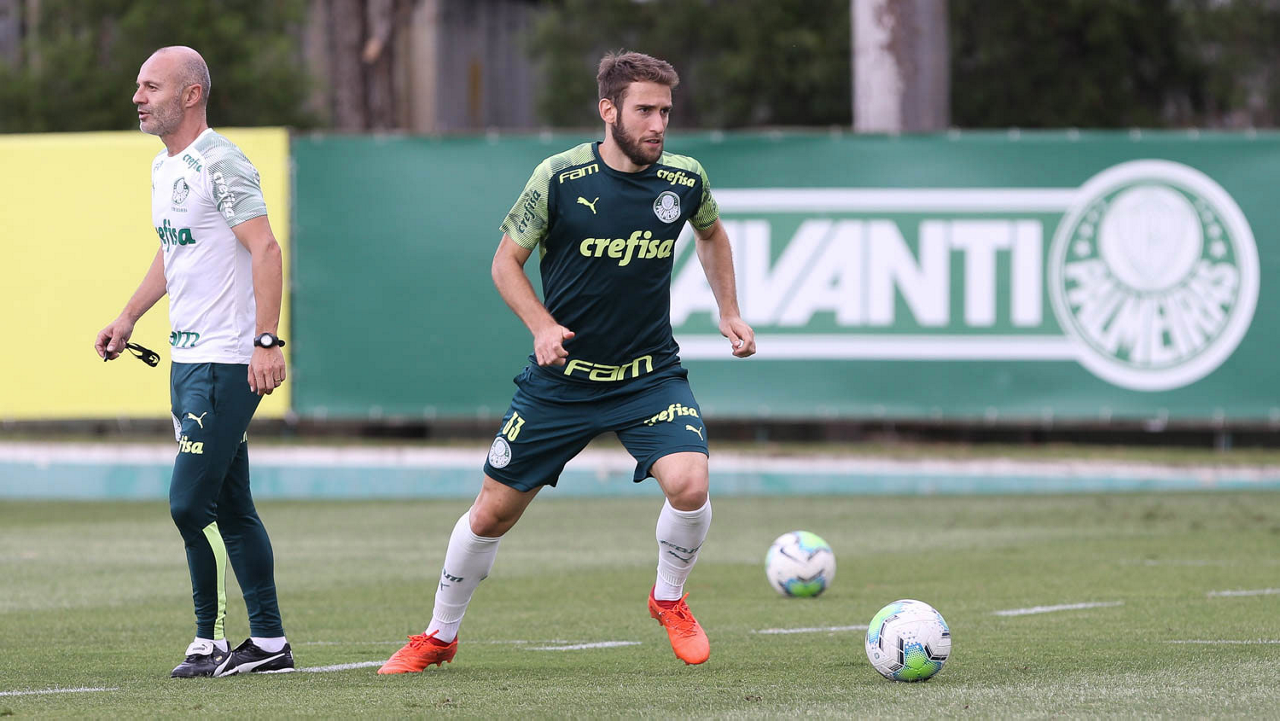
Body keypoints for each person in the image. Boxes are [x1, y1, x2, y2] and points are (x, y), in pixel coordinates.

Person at [379, 51, 755, 674]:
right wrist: (542, 325)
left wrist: (729, 310)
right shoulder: (558, 177)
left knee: (691, 484)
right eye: (645, 110)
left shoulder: (685, 179)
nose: (658, 124)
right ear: (608, 110)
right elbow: (505, 263)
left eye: (665, 111)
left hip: (649, 378)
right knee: (491, 514)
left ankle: (668, 598)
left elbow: (711, 234)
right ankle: (439, 636)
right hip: (561, 385)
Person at [94, 46, 294, 678]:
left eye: (151, 86)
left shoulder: (221, 162)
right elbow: (172, 250)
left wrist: (266, 341)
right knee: (231, 507)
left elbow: (265, 248)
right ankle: (270, 645)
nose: (137, 97)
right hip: (186, 363)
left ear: (190, 95)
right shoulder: (164, 166)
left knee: (188, 504)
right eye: (138, 85)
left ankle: (208, 641)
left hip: (226, 362)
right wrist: (129, 316)